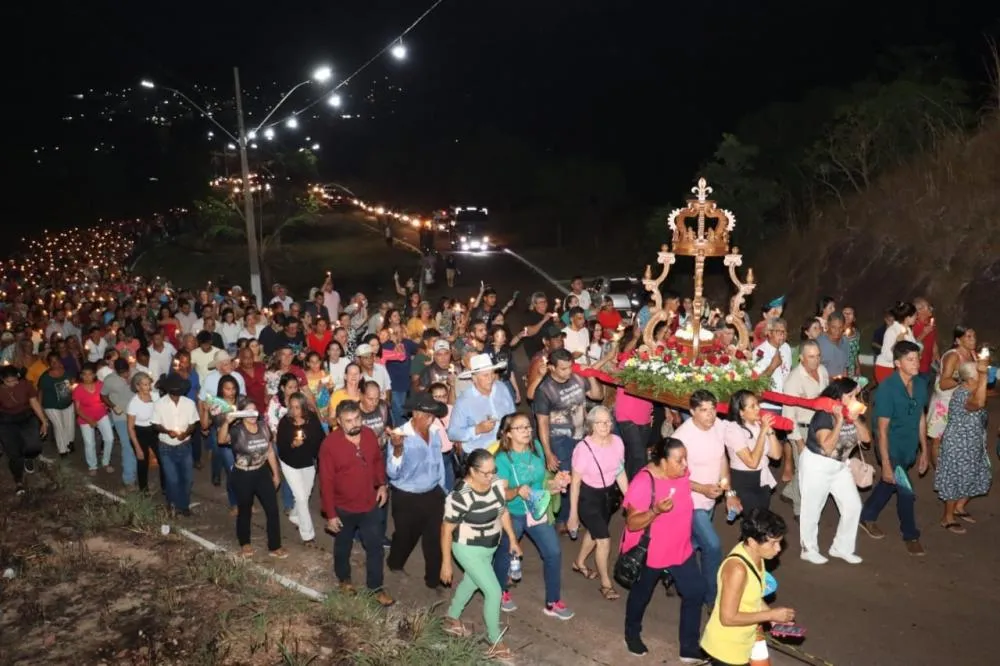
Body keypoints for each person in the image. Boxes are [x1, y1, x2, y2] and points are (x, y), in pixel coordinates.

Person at [622, 437, 707, 661]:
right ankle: (631, 635)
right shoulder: (643, 483)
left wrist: (704, 489)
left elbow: (685, 483)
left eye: (685, 458)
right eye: (679, 460)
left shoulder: (680, 473)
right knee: (641, 595)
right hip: (652, 552)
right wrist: (655, 511)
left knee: (695, 592)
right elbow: (632, 523)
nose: (685, 464)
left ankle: (688, 648)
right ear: (662, 461)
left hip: (680, 547)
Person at [440, 448, 521, 663]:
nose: (490, 476)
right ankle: (495, 642)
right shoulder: (459, 496)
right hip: (467, 549)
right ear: (472, 471)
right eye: (485, 473)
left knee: (471, 582)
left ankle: (451, 617)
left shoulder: (495, 484)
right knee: (494, 592)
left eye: (493, 471)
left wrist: (512, 540)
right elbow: (447, 529)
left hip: (490, 548)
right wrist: (446, 563)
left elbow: (503, 512)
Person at [492, 413, 574, 619]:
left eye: (528, 427)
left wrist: (558, 483)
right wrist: (517, 490)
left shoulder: (537, 447)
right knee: (506, 554)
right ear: (508, 434)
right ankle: (499, 591)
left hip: (535, 511)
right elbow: (501, 494)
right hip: (512, 513)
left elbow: (542, 484)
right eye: (520, 428)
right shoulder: (501, 460)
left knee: (554, 552)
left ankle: (552, 602)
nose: (527, 431)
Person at [318, 399, 394, 606]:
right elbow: (325, 481)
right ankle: (344, 579)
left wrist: (382, 485)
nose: (354, 424)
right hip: (343, 508)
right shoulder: (330, 445)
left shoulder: (369, 435)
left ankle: (375, 589)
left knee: (375, 547)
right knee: (343, 546)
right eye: (348, 421)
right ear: (339, 423)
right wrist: (331, 514)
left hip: (369, 504)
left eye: (357, 419)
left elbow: (378, 461)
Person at [860, 341, 929, 556]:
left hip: (909, 447)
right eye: (910, 359)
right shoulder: (887, 389)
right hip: (890, 447)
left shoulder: (920, 384)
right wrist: (886, 463)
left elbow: (921, 417)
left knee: (888, 485)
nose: (916, 362)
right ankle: (911, 535)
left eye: (917, 358)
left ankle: (866, 515)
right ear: (898, 363)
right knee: (906, 493)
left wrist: (924, 450)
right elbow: (881, 430)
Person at [701, 510, 795, 666]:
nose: (778, 549)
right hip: (727, 649)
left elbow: (753, 597)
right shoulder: (737, 569)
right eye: (773, 543)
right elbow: (728, 618)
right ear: (752, 542)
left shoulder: (757, 557)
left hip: (745, 641)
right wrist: (770, 614)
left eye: (779, 542)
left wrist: (773, 619)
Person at [673, 389, 741, 608]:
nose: (710, 415)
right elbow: (672, 477)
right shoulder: (681, 439)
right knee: (712, 546)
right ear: (692, 411)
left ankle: (670, 568)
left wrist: (729, 492)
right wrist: (702, 488)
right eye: (703, 410)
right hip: (689, 502)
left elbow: (722, 459)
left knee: (691, 543)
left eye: (712, 409)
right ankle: (712, 598)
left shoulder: (717, 427)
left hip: (710, 499)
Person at [799, 378, 869, 564]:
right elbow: (828, 447)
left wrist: (857, 422)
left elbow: (867, 439)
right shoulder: (824, 415)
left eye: (856, 395)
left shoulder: (853, 412)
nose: (855, 399)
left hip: (839, 466)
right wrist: (839, 421)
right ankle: (808, 548)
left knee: (853, 506)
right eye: (850, 395)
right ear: (838, 397)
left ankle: (841, 548)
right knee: (812, 509)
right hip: (817, 465)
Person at [386, 392, 449, 589]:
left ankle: (433, 580)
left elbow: (438, 463)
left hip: (432, 493)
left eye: (433, 415)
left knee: (434, 539)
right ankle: (394, 563)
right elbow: (393, 473)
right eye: (427, 415)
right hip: (406, 497)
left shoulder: (435, 431)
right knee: (406, 536)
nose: (431, 420)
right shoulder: (400, 436)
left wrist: (443, 490)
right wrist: (397, 449)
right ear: (415, 413)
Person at [568, 405, 628, 602]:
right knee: (603, 539)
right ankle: (605, 583)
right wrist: (573, 514)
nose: (606, 425)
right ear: (591, 425)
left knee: (595, 533)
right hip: (588, 498)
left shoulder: (617, 442)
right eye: (601, 422)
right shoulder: (583, 449)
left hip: (608, 497)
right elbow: (575, 483)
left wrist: (629, 498)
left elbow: (619, 471)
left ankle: (579, 562)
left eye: (608, 421)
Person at [219, 399, 287, 559]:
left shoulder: (264, 427)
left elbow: (270, 451)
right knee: (245, 510)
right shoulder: (237, 430)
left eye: (254, 410)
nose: (252, 415)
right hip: (242, 475)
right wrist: (226, 422)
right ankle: (245, 543)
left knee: (272, 509)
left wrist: (276, 474)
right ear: (241, 414)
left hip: (262, 472)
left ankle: (275, 546)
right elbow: (221, 440)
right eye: (247, 411)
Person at [935, 359, 991, 533]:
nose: (983, 378)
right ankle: (947, 517)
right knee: (956, 479)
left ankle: (959, 507)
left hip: (973, 443)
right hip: (958, 445)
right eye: (979, 376)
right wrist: (984, 374)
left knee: (979, 474)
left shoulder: (973, 390)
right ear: (970, 379)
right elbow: (979, 403)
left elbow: (983, 396)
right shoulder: (961, 395)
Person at [275, 392, 324, 543]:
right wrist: (292, 444)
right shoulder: (285, 422)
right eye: (292, 407)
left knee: (306, 494)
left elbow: (321, 440)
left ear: (304, 408)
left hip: (308, 463)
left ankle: (295, 515)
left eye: (298, 407)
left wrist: (309, 442)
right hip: (289, 463)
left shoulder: (312, 420)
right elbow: (280, 446)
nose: (294, 411)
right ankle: (307, 534)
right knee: (301, 498)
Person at [723, 391, 781, 513]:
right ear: (741, 413)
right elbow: (752, 462)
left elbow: (776, 455)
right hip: (745, 481)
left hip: (762, 478)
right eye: (752, 406)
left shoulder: (758, 425)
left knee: (763, 517)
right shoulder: (733, 430)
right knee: (754, 521)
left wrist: (769, 431)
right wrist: (763, 431)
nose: (758, 408)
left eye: (757, 404)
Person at [151, 373, 200, 516]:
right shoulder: (159, 404)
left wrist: (186, 433)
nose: (176, 395)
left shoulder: (189, 404)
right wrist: (167, 431)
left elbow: (193, 424)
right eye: (173, 392)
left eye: (178, 392)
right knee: (172, 479)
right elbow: (155, 425)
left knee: (188, 479)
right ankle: (172, 504)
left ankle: (183, 505)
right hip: (166, 447)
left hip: (185, 446)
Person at [447, 353, 517, 453]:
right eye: (485, 375)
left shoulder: (501, 388)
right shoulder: (464, 401)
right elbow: (452, 433)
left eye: (492, 373)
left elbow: (513, 415)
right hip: (481, 452)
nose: (491, 378)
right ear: (474, 378)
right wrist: (477, 429)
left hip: (505, 447)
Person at [0, 365, 48, 495]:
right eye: (8, 381)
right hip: (6, 422)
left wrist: (43, 421)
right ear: (2, 380)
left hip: (27, 417)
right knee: (14, 454)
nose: (13, 383)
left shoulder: (25, 385)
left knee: (34, 446)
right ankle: (19, 482)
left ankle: (29, 457)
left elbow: (34, 402)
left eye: (15, 380)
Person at [73, 362, 116, 476]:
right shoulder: (78, 389)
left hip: (101, 415)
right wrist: (89, 420)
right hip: (85, 418)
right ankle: (92, 465)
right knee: (89, 443)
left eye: (90, 374)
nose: (87, 377)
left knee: (109, 438)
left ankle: (106, 462)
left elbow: (106, 397)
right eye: (85, 374)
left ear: (94, 375)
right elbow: (77, 409)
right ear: (81, 375)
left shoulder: (100, 385)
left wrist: (107, 406)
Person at [126, 371, 162, 493]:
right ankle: (143, 490)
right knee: (143, 461)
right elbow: (130, 428)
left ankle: (165, 487)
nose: (148, 387)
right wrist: (138, 448)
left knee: (162, 458)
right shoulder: (133, 404)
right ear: (137, 386)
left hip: (153, 430)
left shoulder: (155, 396)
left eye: (149, 384)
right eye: (145, 385)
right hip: (139, 433)